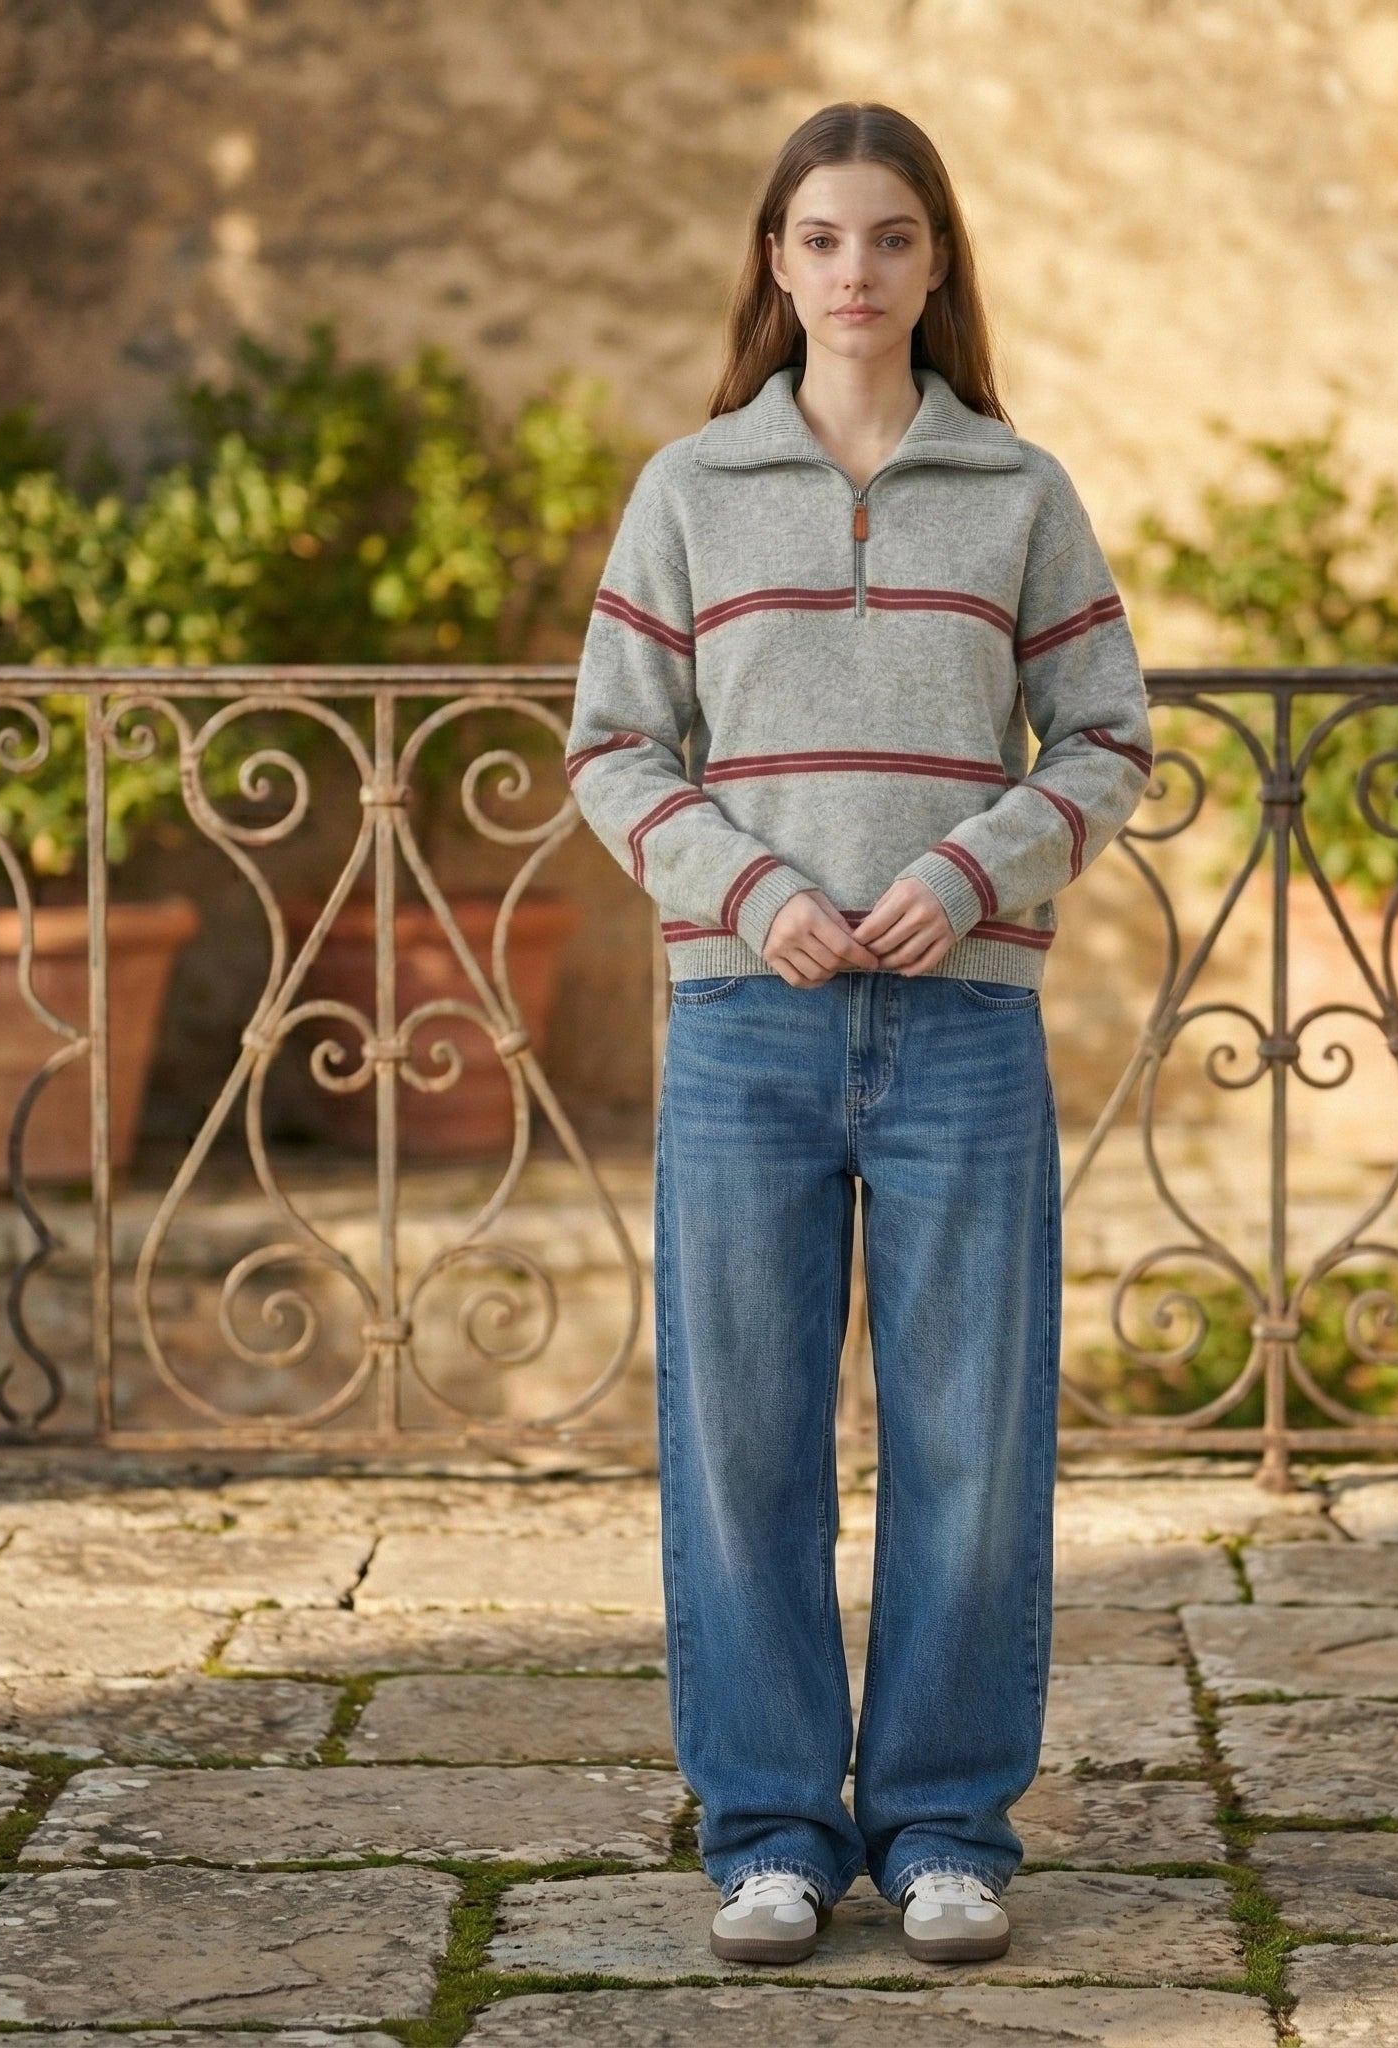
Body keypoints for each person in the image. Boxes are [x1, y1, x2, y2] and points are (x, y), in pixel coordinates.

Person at [565, 100, 1151, 1968]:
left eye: (890, 239)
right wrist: (750, 890)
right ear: (773, 262)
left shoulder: (1021, 491)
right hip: (746, 1023)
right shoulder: (688, 490)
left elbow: (1110, 736)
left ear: (937, 263)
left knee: (972, 1440)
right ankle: (767, 1835)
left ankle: (947, 1829)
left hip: (964, 1032)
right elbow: (610, 746)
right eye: (820, 238)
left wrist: (977, 871)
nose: (855, 272)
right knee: (740, 1442)